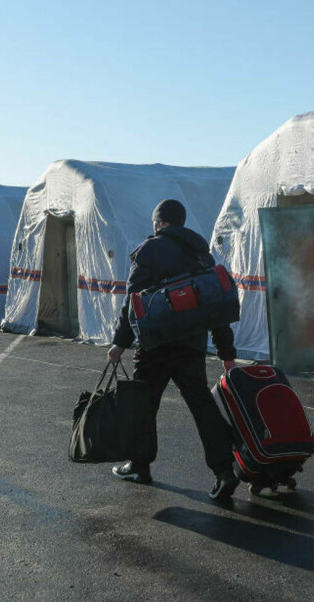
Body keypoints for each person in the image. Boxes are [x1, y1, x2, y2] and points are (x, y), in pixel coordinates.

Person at [108, 198, 240, 502]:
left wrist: (120, 343)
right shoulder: (201, 252)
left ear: (159, 223)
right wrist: (226, 354)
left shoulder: (149, 250)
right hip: (192, 343)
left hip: (155, 345)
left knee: (144, 406)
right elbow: (215, 304)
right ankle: (224, 472)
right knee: (202, 407)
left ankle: (140, 466)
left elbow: (133, 302)